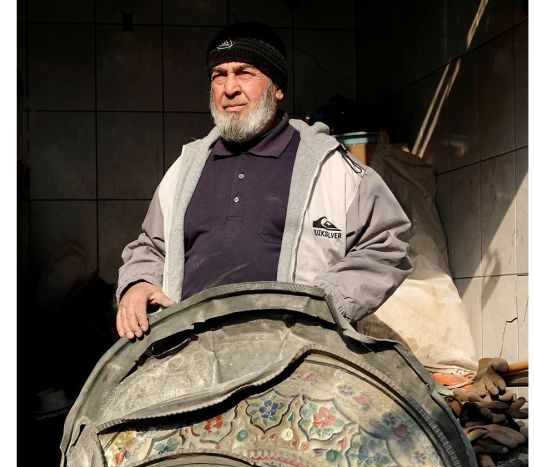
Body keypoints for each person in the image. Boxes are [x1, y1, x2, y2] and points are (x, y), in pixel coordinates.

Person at [115, 22, 411, 340]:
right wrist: (139, 283)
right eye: (219, 75)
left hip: (294, 352)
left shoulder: (327, 164)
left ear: (277, 88)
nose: (229, 89)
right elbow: (151, 246)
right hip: (193, 351)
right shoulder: (187, 167)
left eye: (244, 73)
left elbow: (385, 244)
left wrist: (324, 304)